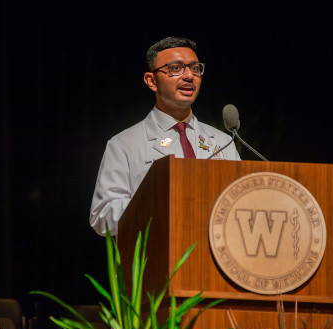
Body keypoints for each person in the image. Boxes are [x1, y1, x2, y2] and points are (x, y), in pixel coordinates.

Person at [89, 36, 241, 236]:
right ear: (151, 81)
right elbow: (102, 217)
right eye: (176, 68)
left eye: (195, 68)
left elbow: (241, 203)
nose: (189, 76)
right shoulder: (124, 144)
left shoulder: (222, 142)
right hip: (157, 259)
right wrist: (159, 204)